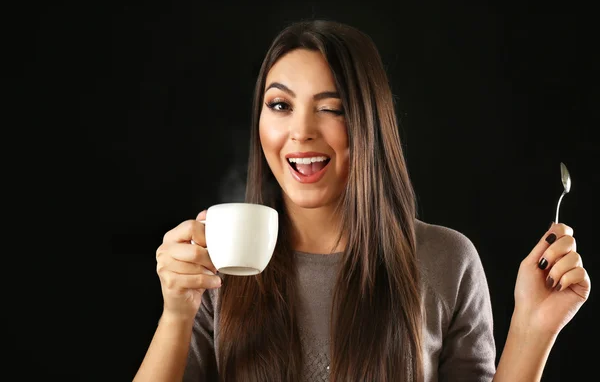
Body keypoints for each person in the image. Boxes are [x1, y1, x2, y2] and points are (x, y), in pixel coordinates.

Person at [133, 20, 591, 382]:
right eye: (279, 105)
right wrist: (177, 312)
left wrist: (534, 328)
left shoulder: (446, 261)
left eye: (331, 108)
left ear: (370, 125)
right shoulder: (214, 269)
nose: (301, 132)